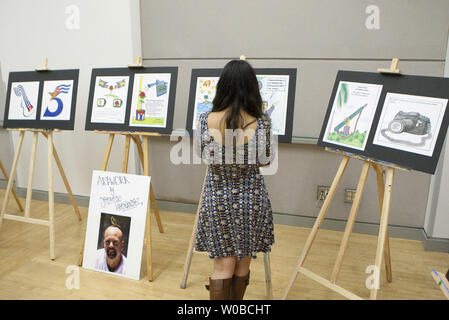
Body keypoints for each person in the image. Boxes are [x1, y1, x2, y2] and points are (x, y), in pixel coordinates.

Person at [194, 59, 275, 300]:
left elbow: (203, 155)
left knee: (222, 267)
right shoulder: (262, 123)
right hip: (251, 199)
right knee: (242, 264)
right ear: (252, 88)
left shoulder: (204, 120)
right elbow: (265, 161)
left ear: (223, 86)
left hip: (217, 198)